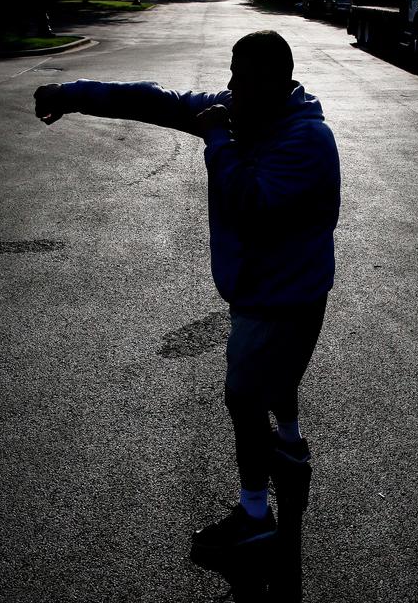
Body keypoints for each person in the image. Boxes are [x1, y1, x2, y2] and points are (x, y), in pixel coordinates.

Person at [34, 30, 340, 551]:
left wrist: (218, 139)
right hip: (280, 291)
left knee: (244, 399)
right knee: (279, 374)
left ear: (273, 81)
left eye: (240, 77)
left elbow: (249, 204)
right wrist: (74, 94)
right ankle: (290, 445)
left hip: (280, 298)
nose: (228, 85)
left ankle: (255, 516)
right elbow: (157, 101)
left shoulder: (304, 140)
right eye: (231, 74)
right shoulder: (247, 111)